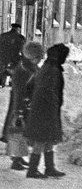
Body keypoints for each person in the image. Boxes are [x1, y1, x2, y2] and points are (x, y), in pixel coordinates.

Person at [23, 43, 70, 179]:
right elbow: (49, 92)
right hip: (45, 111)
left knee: (48, 140)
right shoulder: (52, 70)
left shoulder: (47, 67)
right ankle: (32, 170)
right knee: (41, 140)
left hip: (45, 109)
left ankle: (49, 168)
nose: (65, 58)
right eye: (64, 56)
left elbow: (30, 86)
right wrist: (51, 106)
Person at [1, 41, 44, 170]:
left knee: (22, 133)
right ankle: (16, 160)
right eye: (39, 57)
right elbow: (19, 92)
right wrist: (19, 111)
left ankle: (18, 158)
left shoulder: (31, 67)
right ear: (32, 56)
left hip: (27, 103)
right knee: (18, 132)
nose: (40, 59)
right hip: (20, 104)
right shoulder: (23, 70)